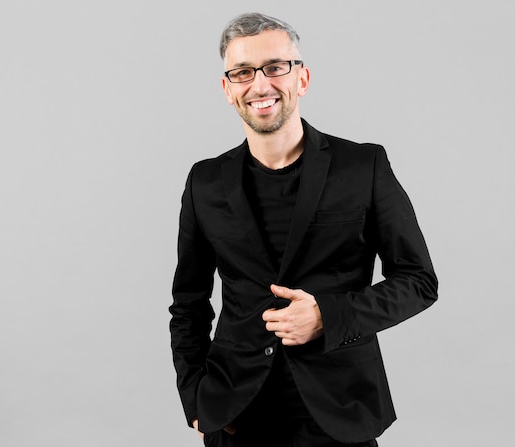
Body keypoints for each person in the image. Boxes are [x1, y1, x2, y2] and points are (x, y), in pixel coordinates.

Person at [169, 12, 437, 447]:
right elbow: (188, 304)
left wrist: (328, 317)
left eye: (275, 67)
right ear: (227, 89)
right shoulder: (204, 181)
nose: (260, 85)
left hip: (340, 411)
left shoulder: (363, 167)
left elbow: (419, 281)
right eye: (242, 72)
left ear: (302, 78)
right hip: (236, 415)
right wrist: (195, 399)